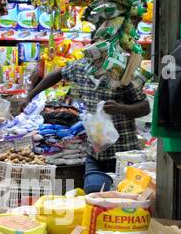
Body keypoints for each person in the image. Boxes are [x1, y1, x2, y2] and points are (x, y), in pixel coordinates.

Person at [25, 47, 150, 192]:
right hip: (95, 153)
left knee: (125, 200)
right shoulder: (81, 67)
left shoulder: (123, 73)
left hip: (124, 153)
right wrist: (30, 95)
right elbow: (58, 73)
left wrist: (120, 108)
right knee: (93, 194)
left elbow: (145, 107)